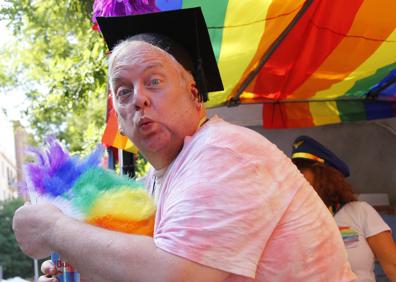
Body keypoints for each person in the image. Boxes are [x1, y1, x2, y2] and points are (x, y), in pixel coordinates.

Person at [13, 8, 356, 281]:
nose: (139, 99)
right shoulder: (158, 177)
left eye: (154, 81)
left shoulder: (223, 150)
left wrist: (54, 228)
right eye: (123, 90)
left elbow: (177, 274)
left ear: (194, 93)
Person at [291, 135, 396, 281]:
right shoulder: (293, 222)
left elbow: (393, 266)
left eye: (301, 170)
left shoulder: (360, 212)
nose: (294, 178)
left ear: (323, 175)